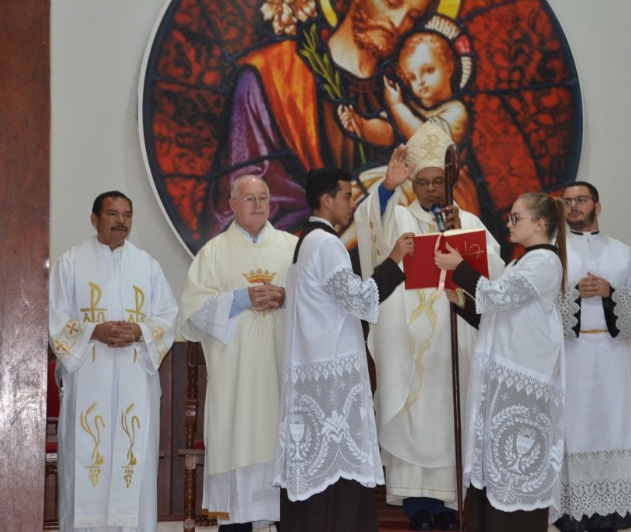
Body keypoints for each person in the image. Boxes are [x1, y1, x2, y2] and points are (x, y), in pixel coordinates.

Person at [208, 0, 440, 239]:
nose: (398, 23)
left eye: (412, 16)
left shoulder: (408, 95)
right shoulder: (271, 76)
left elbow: (448, 180)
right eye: (392, 0)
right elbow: (236, 209)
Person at [353, 125, 503, 532]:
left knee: (452, 412)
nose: (432, 190)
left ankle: (452, 504)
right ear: (413, 183)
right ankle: (416, 503)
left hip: (456, 334)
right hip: (408, 336)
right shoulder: (400, 215)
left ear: (448, 181)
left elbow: (494, 270)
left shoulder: (466, 218)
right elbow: (369, 224)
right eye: (424, 182)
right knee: (413, 413)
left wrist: (458, 233)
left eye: (439, 182)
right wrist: (386, 188)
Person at [273, 168, 415, 532]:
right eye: (348, 196)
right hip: (331, 380)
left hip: (316, 369)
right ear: (327, 199)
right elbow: (360, 299)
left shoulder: (308, 240)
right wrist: (396, 259)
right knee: (337, 474)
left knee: (320, 473)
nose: (352, 204)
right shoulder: (326, 243)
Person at [434, 192, 568, 532]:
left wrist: (459, 268)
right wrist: (460, 302)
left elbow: (498, 296)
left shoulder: (545, 262)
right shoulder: (520, 262)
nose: (509, 223)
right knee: (494, 469)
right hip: (503, 383)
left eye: (516, 218)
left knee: (516, 470)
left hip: (523, 385)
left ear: (540, 224)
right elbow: (495, 316)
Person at [49, 191, 178, 532]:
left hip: (136, 378)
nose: (121, 221)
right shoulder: (70, 263)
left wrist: (139, 330)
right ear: (94, 219)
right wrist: (94, 331)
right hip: (89, 375)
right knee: (86, 462)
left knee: (132, 460)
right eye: (112, 214)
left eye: (127, 215)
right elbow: (55, 319)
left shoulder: (147, 266)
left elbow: (167, 316)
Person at [180, 175, 297, 530]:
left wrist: (286, 298)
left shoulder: (293, 249)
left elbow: (317, 303)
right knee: (238, 453)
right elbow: (193, 314)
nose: (259, 205)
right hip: (237, 383)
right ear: (232, 205)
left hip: (282, 375)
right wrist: (241, 298)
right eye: (249, 198)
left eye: (263, 197)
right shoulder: (213, 254)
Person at [554, 181, 631, 531]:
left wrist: (611, 293)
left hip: (614, 355)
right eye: (568, 202)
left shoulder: (623, 253)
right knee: (576, 429)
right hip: (570, 354)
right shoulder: (553, 253)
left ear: (597, 207)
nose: (574, 207)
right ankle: (574, 516)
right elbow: (534, 305)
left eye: (581, 200)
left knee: (614, 429)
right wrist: (571, 295)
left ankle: (614, 516)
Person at [337, 18, 479, 216]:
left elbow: (430, 140)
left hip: (436, 190)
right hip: (405, 178)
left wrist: (396, 105)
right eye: (411, 77)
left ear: (449, 67)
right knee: (365, 196)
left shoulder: (456, 111)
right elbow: (388, 132)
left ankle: (346, 243)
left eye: (428, 70)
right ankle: (343, 240)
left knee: (395, 200)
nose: (420, 82)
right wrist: (362, 125)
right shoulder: (409, 110)